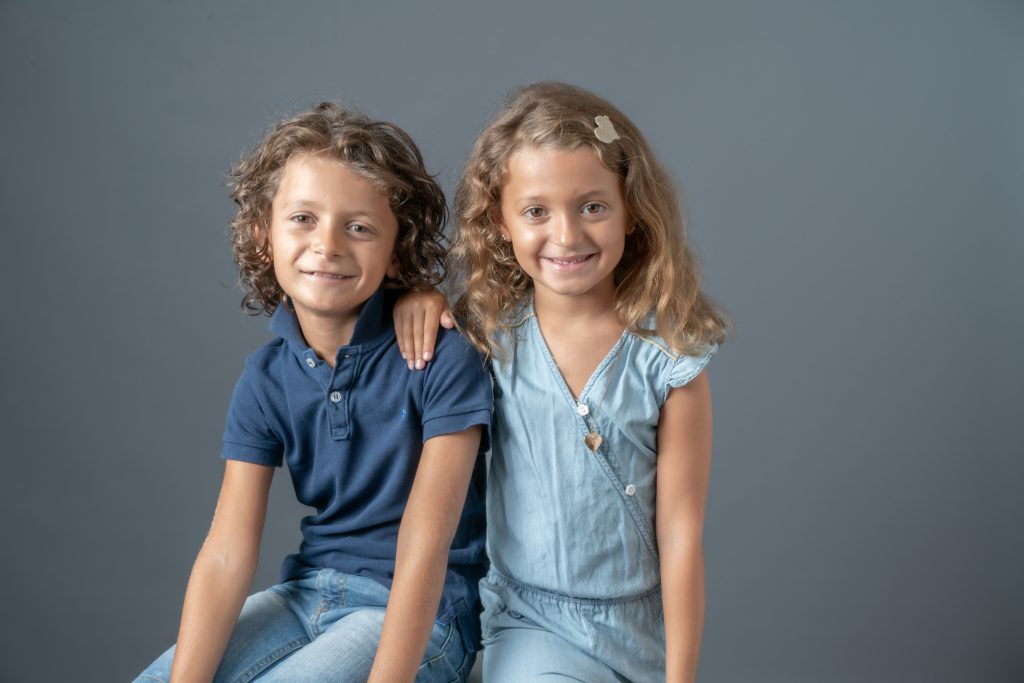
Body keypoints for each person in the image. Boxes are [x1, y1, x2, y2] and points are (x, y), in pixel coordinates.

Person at [136, 103, 492, 683]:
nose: (327, 245)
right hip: (306, 595)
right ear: (262, 236)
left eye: (359, 227)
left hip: (422, 612)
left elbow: (428, 548)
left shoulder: (438, 355)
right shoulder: (266, 377)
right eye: (303, 218)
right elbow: (226, 553)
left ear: (397, 250)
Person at [394, 82, 729, 682]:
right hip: (529, 621)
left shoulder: (667, 357)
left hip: (641, 630)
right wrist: (418, 299)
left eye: (593, 206)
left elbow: (682, 532)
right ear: (499, 221)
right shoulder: (486, 335)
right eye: (536, 211)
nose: (568, 235)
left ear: (632, 210)